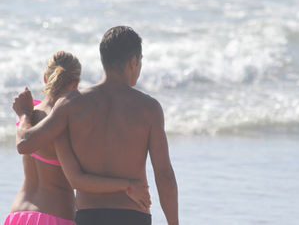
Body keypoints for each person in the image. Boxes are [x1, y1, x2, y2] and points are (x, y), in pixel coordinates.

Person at [14, 26, 179, 225]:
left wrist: (24, 114)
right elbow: (164, 176)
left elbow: (25, 143)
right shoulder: (149, 109)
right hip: (133, 215)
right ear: (134, 62)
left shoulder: (72, 103)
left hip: (89, 216)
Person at [7, 50, 150, 225]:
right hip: (55, 217)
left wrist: (23, 114)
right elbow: (78, 179)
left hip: (18, 215)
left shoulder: (29, 115)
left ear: (45, 78)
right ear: (76, 84)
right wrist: (127, 185)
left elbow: (22, 142)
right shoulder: (62, 122)